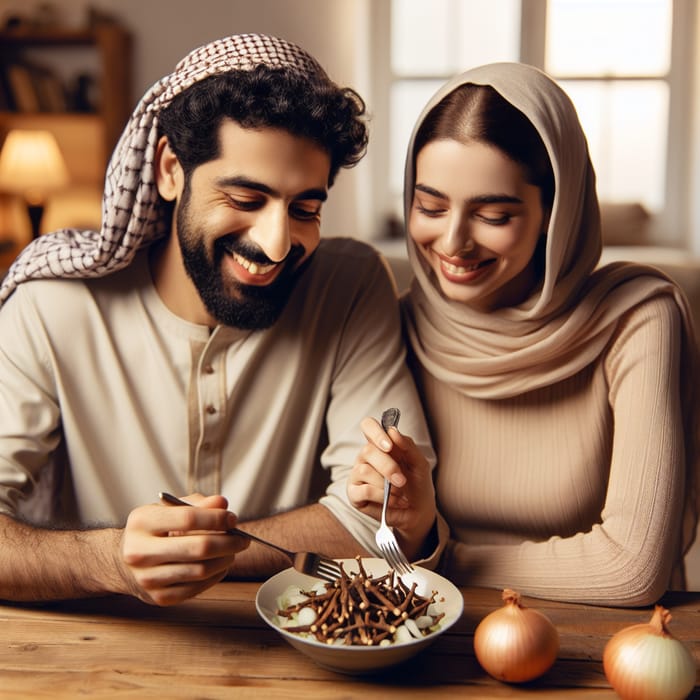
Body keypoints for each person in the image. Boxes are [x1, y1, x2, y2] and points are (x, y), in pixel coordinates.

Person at [0, 34, 437, 606]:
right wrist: (110, 559)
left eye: (305, 209)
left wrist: (200, 551)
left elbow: (377, 525)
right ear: (170, 171)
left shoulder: (350, 285)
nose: (277, 244)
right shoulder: (52, 303)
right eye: (245, 199)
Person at [348, 62, 700, 607]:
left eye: (493, 214)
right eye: (430, 206)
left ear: (555, 214)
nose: (453, 242)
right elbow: (358, 532)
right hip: (431, 636)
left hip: (595, 647)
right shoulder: (391, 324)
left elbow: (631, 570)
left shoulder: (637, 317)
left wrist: (435, 552)